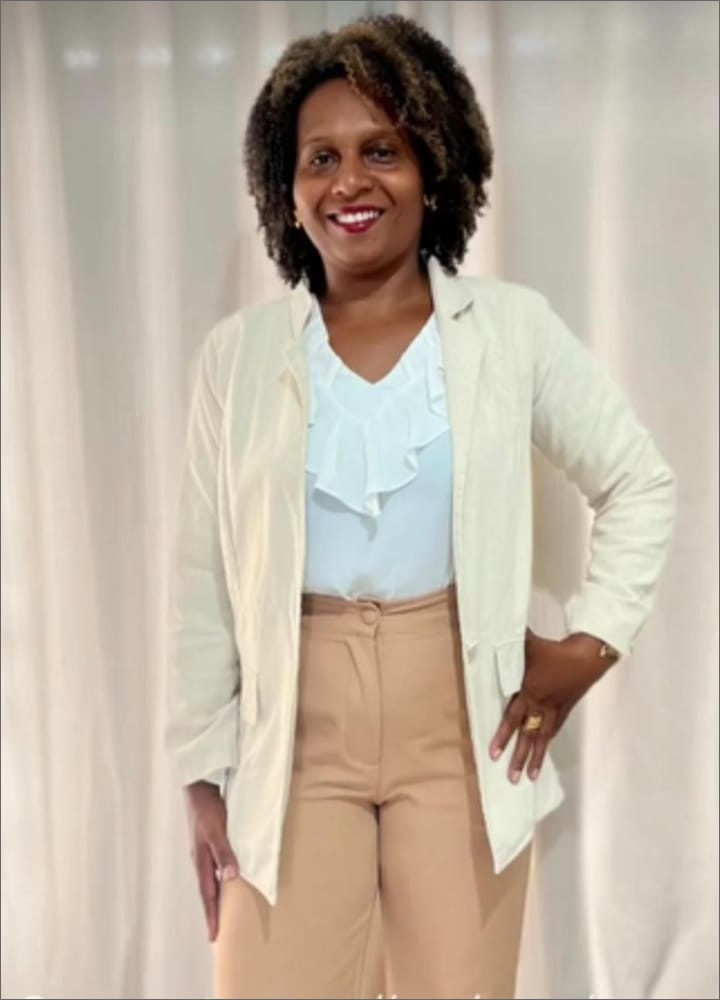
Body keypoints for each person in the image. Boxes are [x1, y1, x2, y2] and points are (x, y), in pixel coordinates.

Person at [165, 13, 676, 1000]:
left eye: (381, 151)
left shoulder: (510, 332)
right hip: (290, 735)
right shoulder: (238, 358)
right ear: (285, 188)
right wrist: (200, 775)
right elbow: (202, 576)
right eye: (320, 158)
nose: (349, 182)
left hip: (461, 727)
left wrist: (587, 648)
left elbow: (638, 480)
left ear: (433, 169)